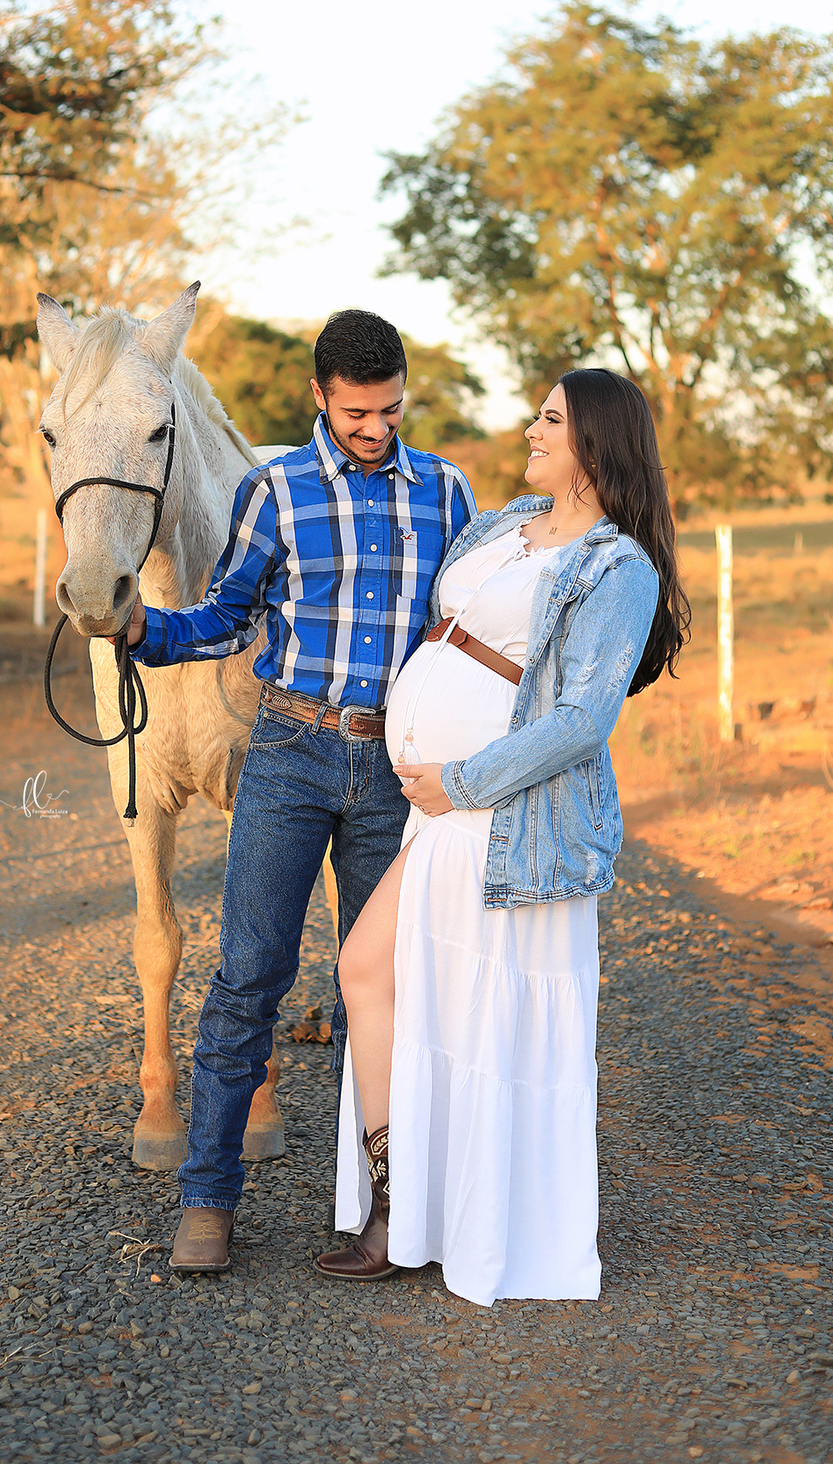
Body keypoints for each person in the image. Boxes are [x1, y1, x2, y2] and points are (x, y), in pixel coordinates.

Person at [317, 368, 690, 1304]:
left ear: (596, 442)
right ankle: (405, 1200)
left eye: (552, 419)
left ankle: (456, 1221)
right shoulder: (504, 523)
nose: (532, 427)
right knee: (371, 973)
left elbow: (583, 716)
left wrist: (464, 779)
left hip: (502, 811)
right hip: (437, 805)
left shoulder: (618, 567)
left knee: (474, 1014)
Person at [126, 308, 478, 1272]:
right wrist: (139, 633)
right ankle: (207, 1202)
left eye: (392, 410)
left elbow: (476, 624)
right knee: (248, 979)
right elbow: (222, 618)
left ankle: (393, 1208)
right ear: (319, 397)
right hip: (289, 753)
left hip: (395, 774)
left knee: (387, 992)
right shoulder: (272, 491)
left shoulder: (447, 492)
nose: (377, 428)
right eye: (358, 411)